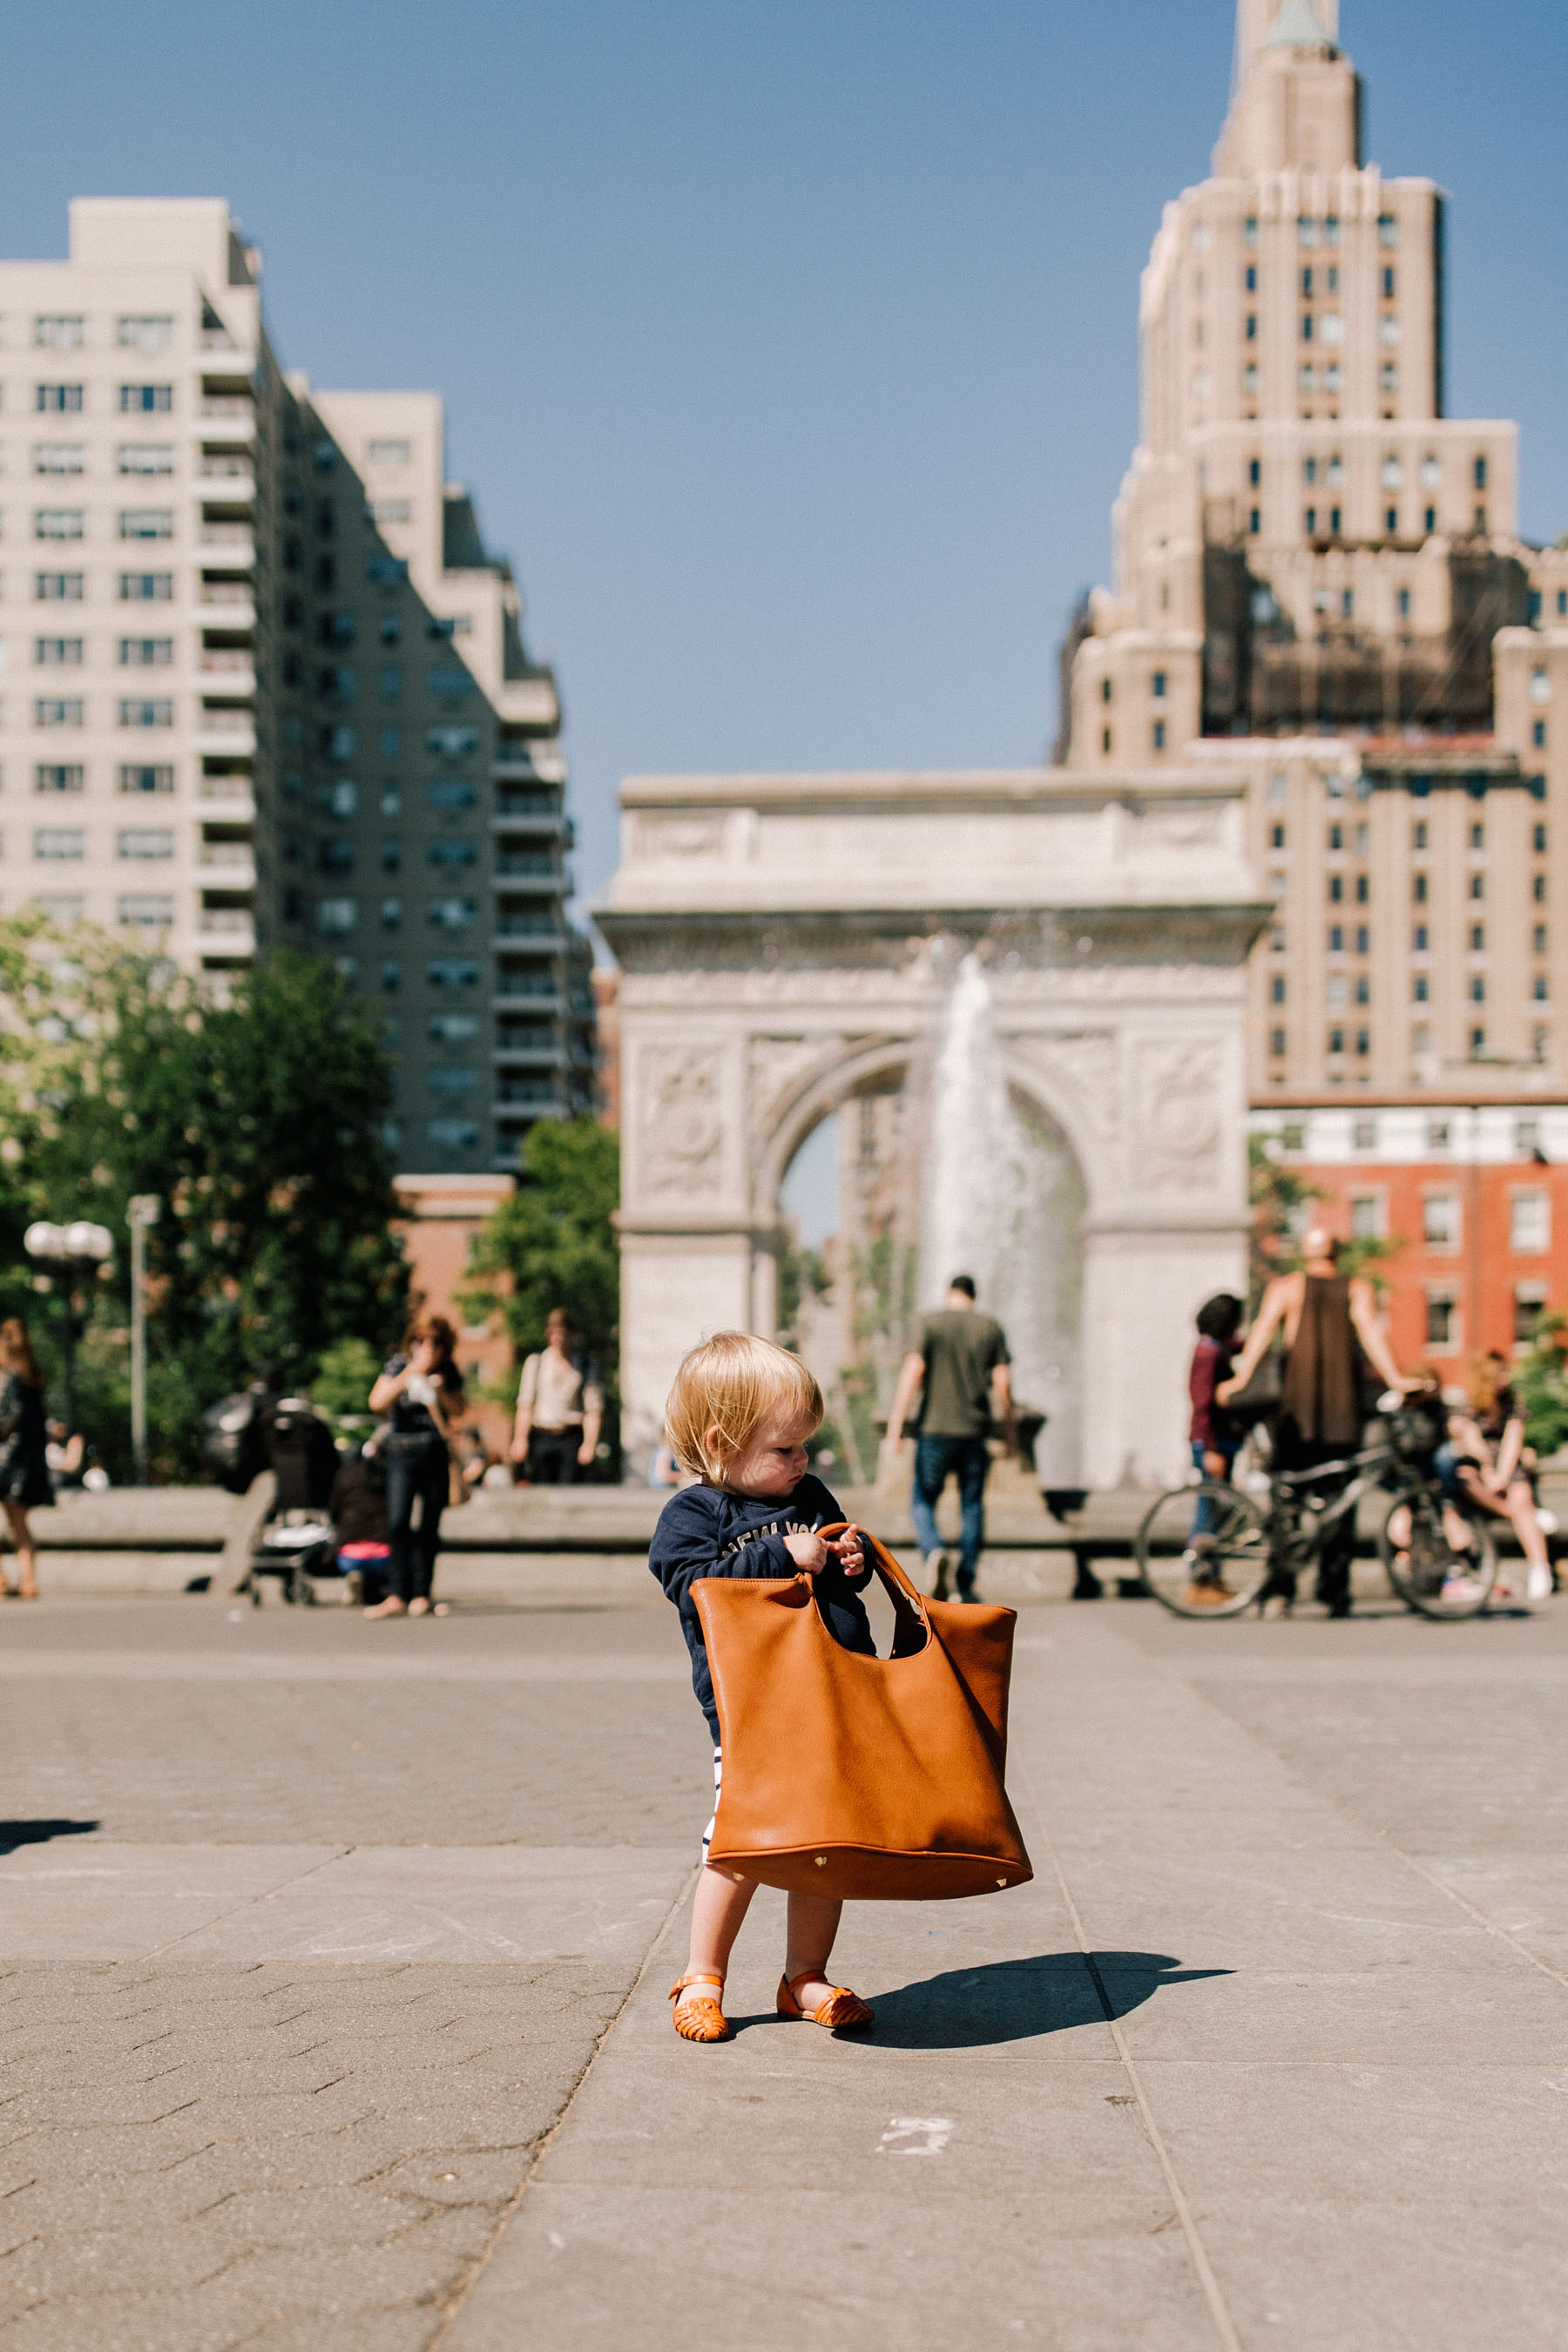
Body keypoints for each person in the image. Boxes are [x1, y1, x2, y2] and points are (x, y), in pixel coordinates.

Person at [649, 1331, 875, 2044]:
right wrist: (782, 1553)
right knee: (742, 1843)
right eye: (785, 1449)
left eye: (806, 1445)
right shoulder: (694, 1516)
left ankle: (804, 1977)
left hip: (833, 1697)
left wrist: (848, 1558)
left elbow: (839, 1562)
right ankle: (702, 1976)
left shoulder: (807, 1493)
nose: (801, 1461)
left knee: (824, 1845)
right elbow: (695, 1588)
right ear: (722, 1442)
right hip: (752, 1713)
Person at [1218, 1227, 1406, 1617]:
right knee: (1340, 1505)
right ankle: (1334, 1592)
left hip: (1295, 1414)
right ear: (1337, 1253)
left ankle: (1279, 1591)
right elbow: (1371, 1333)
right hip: (1342, 1412)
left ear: (1306, 1253)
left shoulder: (1287, 1288)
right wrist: (1395, 1379)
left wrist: (1240, 1378)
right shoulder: (1356, 1288)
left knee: (1285, 1503)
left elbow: (1262, 1333)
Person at [887, 1274, 1015, 1601]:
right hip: (974, 1432)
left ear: (949, 1293)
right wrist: (1010, 1429)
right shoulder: (989, 1327)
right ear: (974, 1295)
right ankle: (966, 1579)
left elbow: (913, 1371)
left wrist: (897, 1422)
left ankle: (933, 1551)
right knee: (972, 1506)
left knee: (922, 1501)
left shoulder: (929, 1323)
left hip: (934, 1430)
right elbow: (1003, 1383)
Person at [364, 1318, 463, 1619]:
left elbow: (458, 1409)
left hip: (433, 1450)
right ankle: (397, 1593)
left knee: (430, 1524)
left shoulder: (448, 1371)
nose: (427, 1347)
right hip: (401, 1449)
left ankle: (422, 1594)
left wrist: (439, 1391)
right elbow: (377, 1401)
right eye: (421, 1340)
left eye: (435, 1341)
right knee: (397, 1521)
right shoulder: (398, 1365)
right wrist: (411, 1373)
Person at [1181, 1293, 1245, 1607]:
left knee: (1214, 1508)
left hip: (1213, 1441)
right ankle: (1201, 1579)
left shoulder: (1212, 1346)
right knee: (1208, 1511)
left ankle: (1211, 1577)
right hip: (1212, 1442)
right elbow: (1202, 1402)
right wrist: (1209, 1448)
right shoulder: (1209, 1353)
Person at [510, 1309, 603, 1484]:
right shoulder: (536, 1363)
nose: (558, 1338)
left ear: (571, 1334)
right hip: (542, 1436)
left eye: (563, 1333)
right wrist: (520, 1439)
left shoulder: (584, 1365)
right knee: (540, 1489)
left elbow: (593, 1410)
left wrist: (589, 1444)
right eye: (554, 1333)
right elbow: (525, 1405)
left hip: (571, 1437)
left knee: (569, 1490)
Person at [0, 1321, 51, 1599]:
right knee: (19, 1524)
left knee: (13, 1522)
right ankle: (28, 1580)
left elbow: (5, 1418)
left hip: (4, 1461)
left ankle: (2, 1580)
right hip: (27, 1462)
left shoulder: (8, 1377)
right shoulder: (33, 1376)